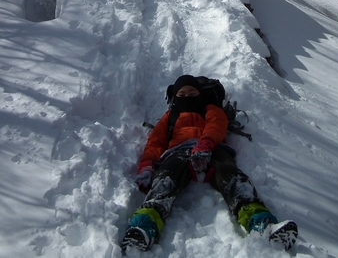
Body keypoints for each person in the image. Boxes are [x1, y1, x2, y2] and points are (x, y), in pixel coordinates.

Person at [121, 75, 298, 255]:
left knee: (232, 177)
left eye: (192, 92)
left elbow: (216, 125)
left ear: (200, 94)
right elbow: (155, 142)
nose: (187, 96)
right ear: (175, 97)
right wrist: (147, 165)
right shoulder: (170, 116)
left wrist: (205, 143)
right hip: (178, 151)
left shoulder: (210, 109)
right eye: (182, 94)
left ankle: (262, 223)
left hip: (213, 148)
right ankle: (144, 227)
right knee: (165, 181)